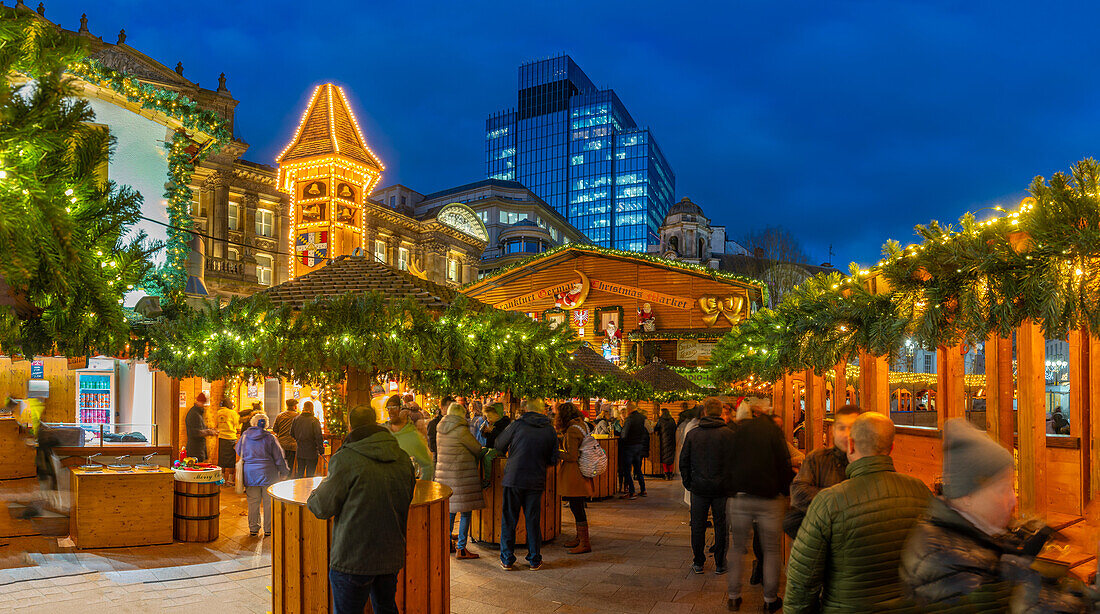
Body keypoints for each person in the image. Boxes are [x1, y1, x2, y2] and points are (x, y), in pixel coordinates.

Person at [901, 418, 1093, 611]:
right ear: (968, 495)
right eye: (1003, 489)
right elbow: (1016, 599)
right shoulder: (946, 559)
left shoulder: (970, 537)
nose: (1013, 500)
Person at [785, 412, 931, 613]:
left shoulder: (829, 501)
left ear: (851, 445)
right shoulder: (921, 491)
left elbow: (802, 580)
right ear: (891, 447)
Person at [307, 404, 415, 614]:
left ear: (350, 426)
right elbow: (407, 496)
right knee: (386, 608)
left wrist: (319, 489)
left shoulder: (346, 458)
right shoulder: (401, 457)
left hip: (353, 557)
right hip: (390, 552)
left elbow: (321, 507)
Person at [725, 402, 793, 613]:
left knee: (737, 548)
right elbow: (784, 463)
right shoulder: (773, 432)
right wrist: (784, 490)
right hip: (769, 499)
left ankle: (734, 597)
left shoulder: (741, 430)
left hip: (740, 496)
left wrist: (732, 488)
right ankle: (770, 599)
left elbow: (729, 461)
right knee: (771, 549)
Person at [496, 398, 559, 571]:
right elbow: (554, 459)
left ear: (526, 410)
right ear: (542, 410)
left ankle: (507, 559)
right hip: (535, 479)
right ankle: (534, 559)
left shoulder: (517, 425)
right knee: (533, 519)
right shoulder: (549, 430)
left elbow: (499, 444)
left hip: (514, 477)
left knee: (509, 518)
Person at [784, 404, 859, 538]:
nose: (847, 434)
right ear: (833, 430)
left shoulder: (866, 462)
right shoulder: (818, 459)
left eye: (853, 428)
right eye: (842, 428)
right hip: (818, 543)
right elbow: (798, 492)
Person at [680, 397, 734, 575]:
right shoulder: (729, 435)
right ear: (720, 412)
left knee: (697, 525)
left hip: (699, 488)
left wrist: (689, 483)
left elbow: (684, 462)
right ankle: (720, 563)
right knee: (721, 525)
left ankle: (698, 562)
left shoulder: (693, 434)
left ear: (704, 412)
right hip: (722, 489)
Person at [435, 402, 485, 560]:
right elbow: (477, 448)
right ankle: (461, 548)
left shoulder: (440, 429)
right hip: (461, 476)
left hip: (445, 476)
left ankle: (447, 543)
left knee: (450, 511)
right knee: (465, 512)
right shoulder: (461, 430)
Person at [235, 414, 289, 537]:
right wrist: (284, 472)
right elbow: (279, 457)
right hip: (269, 474)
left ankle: (254, 528)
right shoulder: (270, 438)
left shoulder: (244, 437)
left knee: (253, 502)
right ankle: (268, 529)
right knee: (269, 502)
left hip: (250, 474)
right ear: (266, 424)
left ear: (253, 423)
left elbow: (238, 451)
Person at [555, 402, 594, 555]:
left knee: (576, 507)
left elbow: (572, 456)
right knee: (576, 506)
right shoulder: (581, 425)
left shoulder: (572, 430)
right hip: (581, 473)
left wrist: (556, 452)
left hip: (574, 474)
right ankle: (579, 538)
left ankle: (585, 543)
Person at [386, 396, 434, 481]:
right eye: (388, 408)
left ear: (402, 410)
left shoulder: (413, 436)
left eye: (394, 407)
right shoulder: (384, 433)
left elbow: (427, 466)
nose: (391, 411)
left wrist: (420, 487)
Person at [618, 400, 648, 499]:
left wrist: (621, 439)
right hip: (639, 445)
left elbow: (624, 434)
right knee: (638, 469)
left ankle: (632, 492)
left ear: (629, 409)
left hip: (629, 446)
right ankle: (643, 490)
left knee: (627, 470)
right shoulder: (642, 418)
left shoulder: (629, 419)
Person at [291, 401, 324, 478]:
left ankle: (299, 489)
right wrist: (321, 450)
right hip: (312, 452)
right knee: (310, 476)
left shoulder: (296, 419)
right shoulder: (314, 421)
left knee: (300, 475)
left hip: (300, 451)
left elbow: (291, 433)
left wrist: (298, 439)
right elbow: (318, 437)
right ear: (312, 409)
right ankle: (308, 490)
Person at [215, 398, 239, 486]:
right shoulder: (232, 413)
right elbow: (236, 424)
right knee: (231, 460)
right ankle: (230, 479)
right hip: (230, 437)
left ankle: (221, 479)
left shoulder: (219, 412)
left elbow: (216, 424)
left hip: (221, 437)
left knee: (221, 459)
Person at [184, 392, 216, 461]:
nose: (203, 405)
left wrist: (209, 429)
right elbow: (195, 432)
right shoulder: (194, 414)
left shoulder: (198, 413)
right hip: (195, 449)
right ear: (198, 401)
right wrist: (209, 432)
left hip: (198, 448)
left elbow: (201, 428)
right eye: (202, 403)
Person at [273, 398, 300, 474]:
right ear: (295, 406)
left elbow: (275, 429)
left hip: (281, 444)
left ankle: (280, 479)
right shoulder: (298, 416)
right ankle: (288, 479)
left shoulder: (280, 416)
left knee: (281, 463)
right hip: (292, 444)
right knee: (290, 464)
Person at [653, 407, 677, 481]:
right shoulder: (672, 420)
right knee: (671, 457)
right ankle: (671, 473)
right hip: (672, 440)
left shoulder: (661, 420)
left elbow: (656, 428)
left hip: (663, 440)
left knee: (665, 457)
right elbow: (675, 428)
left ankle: (666, 474)